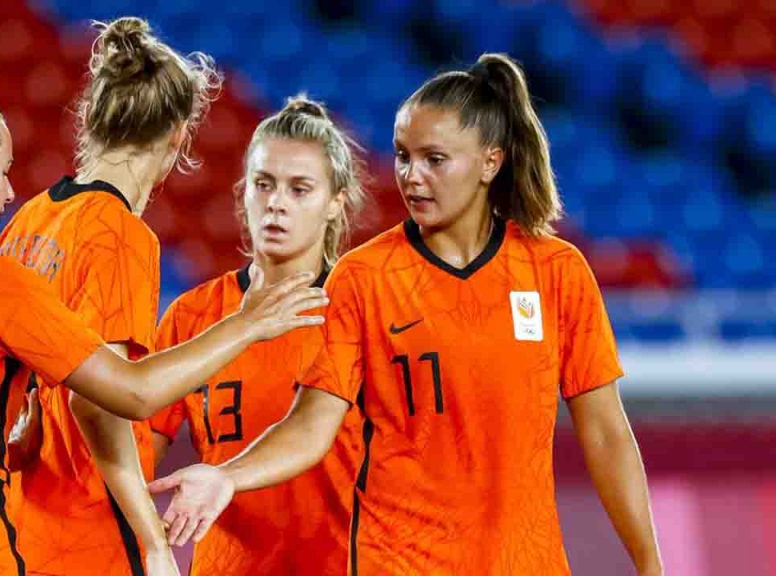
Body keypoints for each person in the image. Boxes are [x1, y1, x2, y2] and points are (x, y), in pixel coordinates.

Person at [149, 53, 664, 576]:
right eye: (402, 156)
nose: (411, 177)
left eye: (433, 160)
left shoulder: (556, 271)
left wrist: (649, 563)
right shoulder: (365, 277)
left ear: (491, 162)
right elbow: (310, 425)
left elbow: (606, 433)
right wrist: (227, 477)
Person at [0, 85, 326, 576]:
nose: (9, 191)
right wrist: (248, 323)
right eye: (3, 171)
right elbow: (133, 393)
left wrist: (17, 440)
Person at [0, 16, 222, 576]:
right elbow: (97, 400)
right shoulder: (122, 235)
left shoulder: (31, 219)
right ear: (177, 136)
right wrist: (154, 540)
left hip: (18, 519)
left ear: (92, 120)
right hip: (88, 523)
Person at [149, 95, 367, 575]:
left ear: (336, 203)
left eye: (299, 189)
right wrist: (152, 547)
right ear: (243, 192)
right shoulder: (193, 315)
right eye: (264, 184)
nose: (276, 204)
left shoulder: (364, 311)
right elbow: (139, 449)